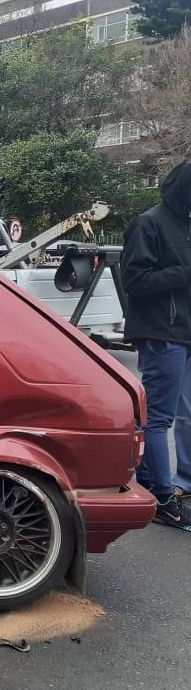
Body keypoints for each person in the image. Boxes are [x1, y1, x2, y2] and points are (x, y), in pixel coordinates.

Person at [121, 160, 191, 530]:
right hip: (162, 334)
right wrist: (185, 272)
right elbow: (135, 281)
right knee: (158, 419)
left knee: (187, 415)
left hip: (185, 332)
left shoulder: (186, 226)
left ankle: (182, 486)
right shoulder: (149, 223)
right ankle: (161, 496)